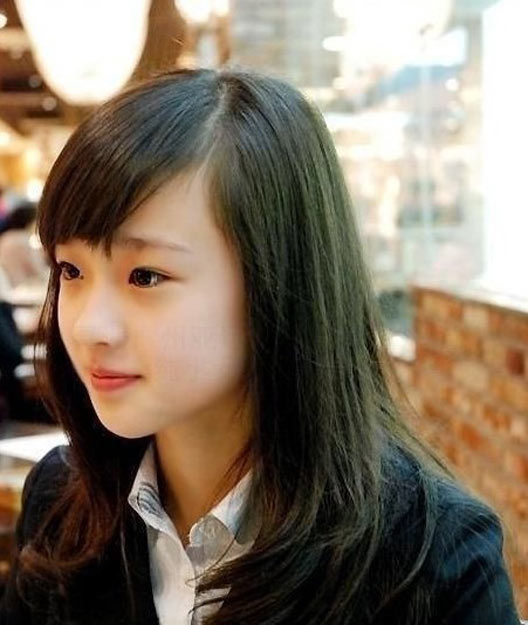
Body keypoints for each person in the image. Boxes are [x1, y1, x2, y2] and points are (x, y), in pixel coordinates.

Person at [0, 69, 520, 625]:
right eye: (71, 270)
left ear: (277, 279)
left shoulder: (431, 559)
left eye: (145, 276)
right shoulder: (62, 502)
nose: (88, 327)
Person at [0, 201, 48, 289]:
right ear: (29, 222)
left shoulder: (5, 237)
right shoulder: (24, 240)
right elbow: (38, 269)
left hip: (8, 289)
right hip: (23, 288)